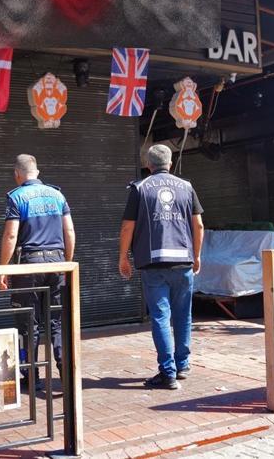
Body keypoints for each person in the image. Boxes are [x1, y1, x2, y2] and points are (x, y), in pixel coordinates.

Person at [118, 144, 204, 390]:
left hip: (153, 263)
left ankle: (168, 373)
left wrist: (123, 257)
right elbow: (198, 225)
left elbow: (127, 227)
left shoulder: (140, 188)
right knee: (183, 316)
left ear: (148, 164)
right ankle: (182, 365)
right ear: (170, 163)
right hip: (183, 262)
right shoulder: (186, 187)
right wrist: (197, 256)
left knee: (160, 317)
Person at [0, 154, 76, 391]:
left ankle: (31, 377)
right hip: (57, 263)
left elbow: (11, 235)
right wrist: (67, 263)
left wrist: (3, 268)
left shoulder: (16, 197)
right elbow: (69, 231)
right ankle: (66, 375)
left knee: (27, 324)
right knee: (57, 322)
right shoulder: (57, 195)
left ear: (17, 174)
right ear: (37, 172)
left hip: (29, 266)